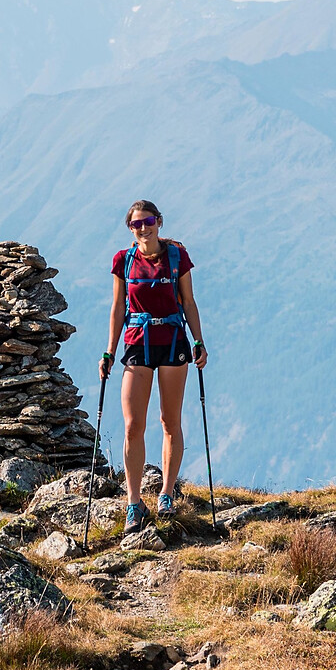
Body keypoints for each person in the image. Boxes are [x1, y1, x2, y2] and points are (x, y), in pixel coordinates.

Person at [100, 199, 207, 530]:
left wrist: (199, 341)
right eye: (136, 224)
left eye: (148, 222)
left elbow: (188, 301)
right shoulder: (123, 260)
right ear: (130, 228)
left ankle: (166, 494)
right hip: (137, 343)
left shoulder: (177, 257)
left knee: (169, 421)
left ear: (159, 222)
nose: (143, 228)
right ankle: (134, 503)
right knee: (133, 425)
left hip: (173, 342)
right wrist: (109, 351)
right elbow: (118, 307)